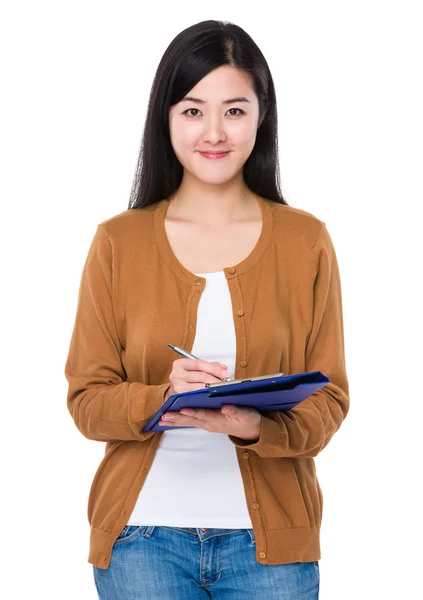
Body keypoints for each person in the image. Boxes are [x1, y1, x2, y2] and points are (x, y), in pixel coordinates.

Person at [64, 19, 350, 600]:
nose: (213, 131)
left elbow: (331, 400)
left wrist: (255, 428)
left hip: (272, 551)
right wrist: (160, 397)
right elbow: (86, 401)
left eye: (235, 110)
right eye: (193, 110)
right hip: (142, 540)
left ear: (261, 116)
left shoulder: (306, 241)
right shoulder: (118, 241)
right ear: (165, 118)